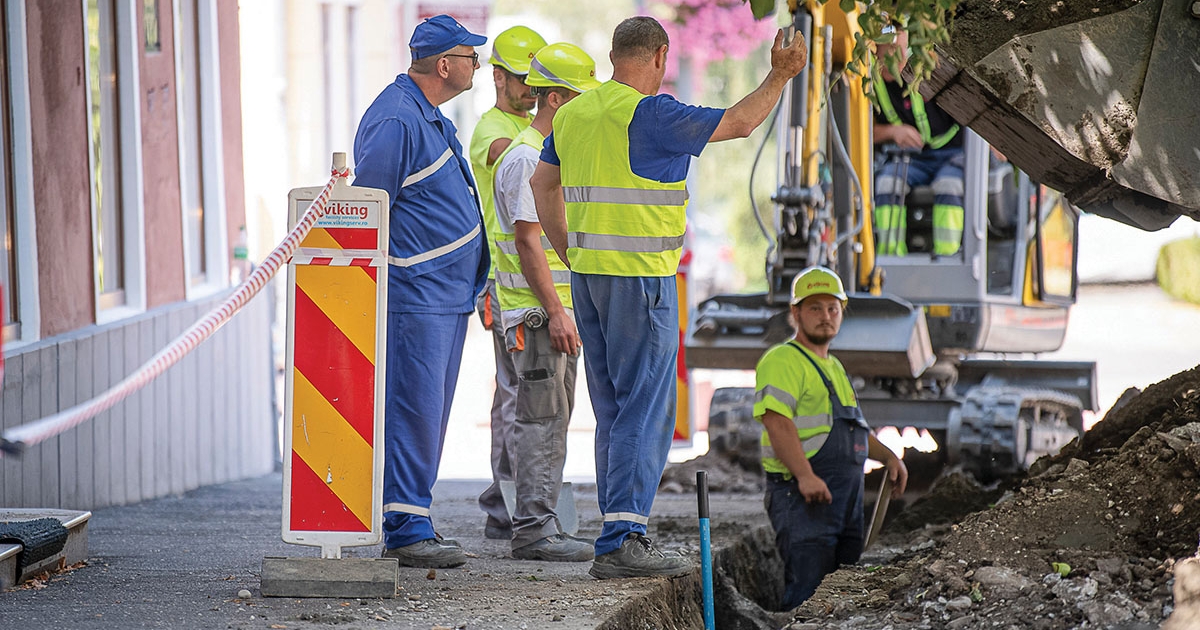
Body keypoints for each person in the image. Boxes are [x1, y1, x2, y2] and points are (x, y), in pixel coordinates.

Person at [529, 16, 808, 579]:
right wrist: (780, 76)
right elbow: (740, 122)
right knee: (646, 408)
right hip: (641, 281)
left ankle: (616, 527)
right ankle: (625, 537)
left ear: (614, 57)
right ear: (659, 56)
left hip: (589, 280)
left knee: (612, 409)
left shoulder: (575, 113)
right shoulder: (654, 114)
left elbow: (542, 185)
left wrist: (570, 253)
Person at [351, 14, 488, 569]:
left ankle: (414, 516)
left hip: (443, 295)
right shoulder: (397, 119)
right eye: (471, 55)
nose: (478, 64)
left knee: (427, 414)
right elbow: (368, 210)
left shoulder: (423, 115)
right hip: (415, 295)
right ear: (444, 65)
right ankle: (406, 527)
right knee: (414, 410)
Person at [489, 42, 602, 562]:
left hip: (547, 315)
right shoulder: (525, 158)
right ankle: (534, 529)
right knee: (540, 420)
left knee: (551, 418)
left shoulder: (544, 156)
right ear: (555, 98)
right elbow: (529, 241)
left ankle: (543, 523)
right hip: (536, 318)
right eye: (580, 98)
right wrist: (557, 311)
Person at [753, 266, 908, 608]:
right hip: (803, 499)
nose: (826, 316)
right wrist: (805, 476)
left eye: (833, 308)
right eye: (815, 308)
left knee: (841, 597)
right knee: (807, 593)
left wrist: (888, 457)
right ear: (795, 313)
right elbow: (777, 423)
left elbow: (855, 431)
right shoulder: (783, 360)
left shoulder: (834, 367)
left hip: (844, 502)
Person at [468, 24, 548, 543]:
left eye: (540, 81)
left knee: (514, 395)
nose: (533, 90)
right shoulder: (492, 130)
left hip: (517, 282)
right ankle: (509, 505)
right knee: (515, 399)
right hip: (505, 281)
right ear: (498, 77)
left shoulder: (525, 127)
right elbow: (514, 158)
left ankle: (503, 504)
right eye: (524, 79)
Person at [872, 27, 965, 257]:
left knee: (949, 186)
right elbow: (860, 132)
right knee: (886, 183)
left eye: (902, 46)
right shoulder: (868, 82)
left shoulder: (928, 68)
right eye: (892, 47)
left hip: (953, 155)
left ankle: (948, 258)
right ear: (876, 49)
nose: (900, 55)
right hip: (911, 160)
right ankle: (890, 259)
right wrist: (893, 131)